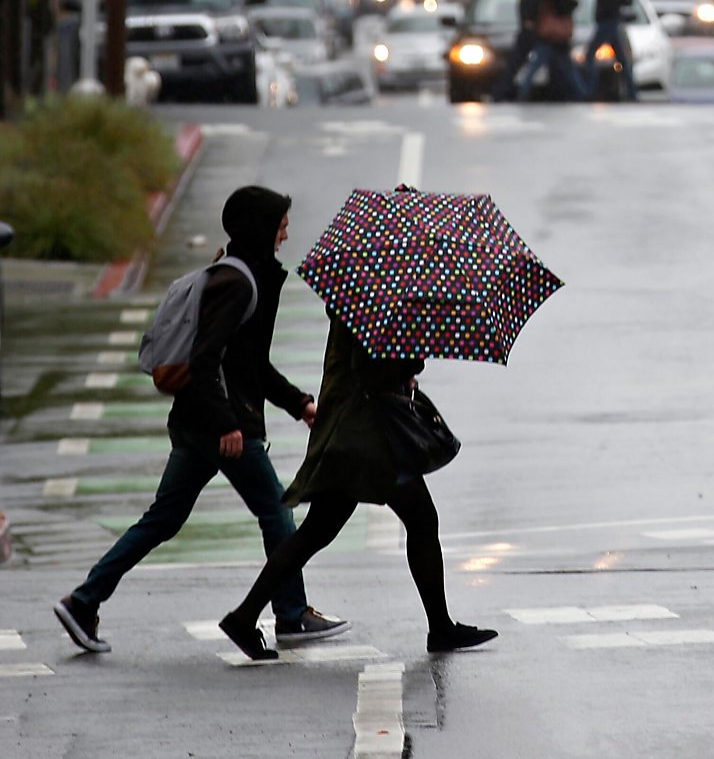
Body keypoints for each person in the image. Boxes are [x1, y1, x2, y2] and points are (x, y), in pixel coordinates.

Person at [55, 188, 348, 654]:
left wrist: (300, 405)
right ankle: (291, 614)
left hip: (199, 423)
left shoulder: (243, 274)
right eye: (281, 223)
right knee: (276, 510)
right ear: (260, 226)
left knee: (162, 519)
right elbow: (206, 357)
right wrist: (228, 424)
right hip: (224, 426)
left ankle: (84, 600)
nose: (287, 232)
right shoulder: (238, 282)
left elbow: (251, 363)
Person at [218, 313, 496, 659]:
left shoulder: (364, 297)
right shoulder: (373, 306)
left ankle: (244, 617)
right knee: (421, 519)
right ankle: (440, 628)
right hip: (366, 436)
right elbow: (372, 370)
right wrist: (411, 363)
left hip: (350, 433)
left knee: (315, 533)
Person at [585, 0, 637, 100]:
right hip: (611, 19)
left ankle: (589, 90)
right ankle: (631, 92)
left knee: (589, 55)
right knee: (622, 59)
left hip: (607, 19)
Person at [514, 0, 588, 102]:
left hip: (548, 39)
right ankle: (582, 93)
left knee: (534, 68)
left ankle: (523, 93)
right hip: (558, 40)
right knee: (569, 71)